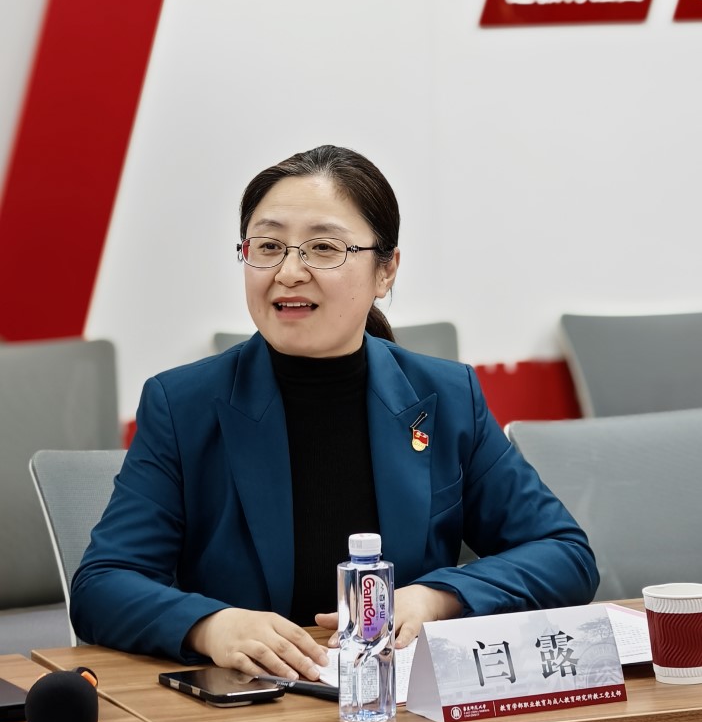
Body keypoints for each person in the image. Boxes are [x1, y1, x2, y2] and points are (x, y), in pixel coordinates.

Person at [71, 144, 599, 686]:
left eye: (323, 248)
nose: (289, 271)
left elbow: (564, 554)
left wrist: (437, 597)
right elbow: (102, 584)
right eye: (268, 246)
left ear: (385, 271)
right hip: (251, 708)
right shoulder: (182, 405)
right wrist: (211, 626)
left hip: (403, 707)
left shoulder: (444, 396)